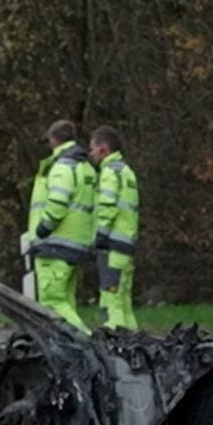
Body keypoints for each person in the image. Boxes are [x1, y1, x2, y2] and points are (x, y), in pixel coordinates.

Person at [26, 119, 96, 332]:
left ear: (52, 141)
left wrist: (43, 228)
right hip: (76, 243)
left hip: (54, 244)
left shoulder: (61, 167)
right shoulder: (85, 168)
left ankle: (89, 345)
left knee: (52, 302)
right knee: (66, 302)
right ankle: (73, 355)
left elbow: (57, 202)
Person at [90, 125, 140, 331]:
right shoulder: (127, 172)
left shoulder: (109, 172)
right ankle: (135, 341)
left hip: (113, 246)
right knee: (124, 301)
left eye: (92, 149)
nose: (91, 153)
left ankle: (116, 342)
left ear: (103, 149)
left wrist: (101, 234)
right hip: (127, 244)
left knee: (112, 302)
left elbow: (108, 206)